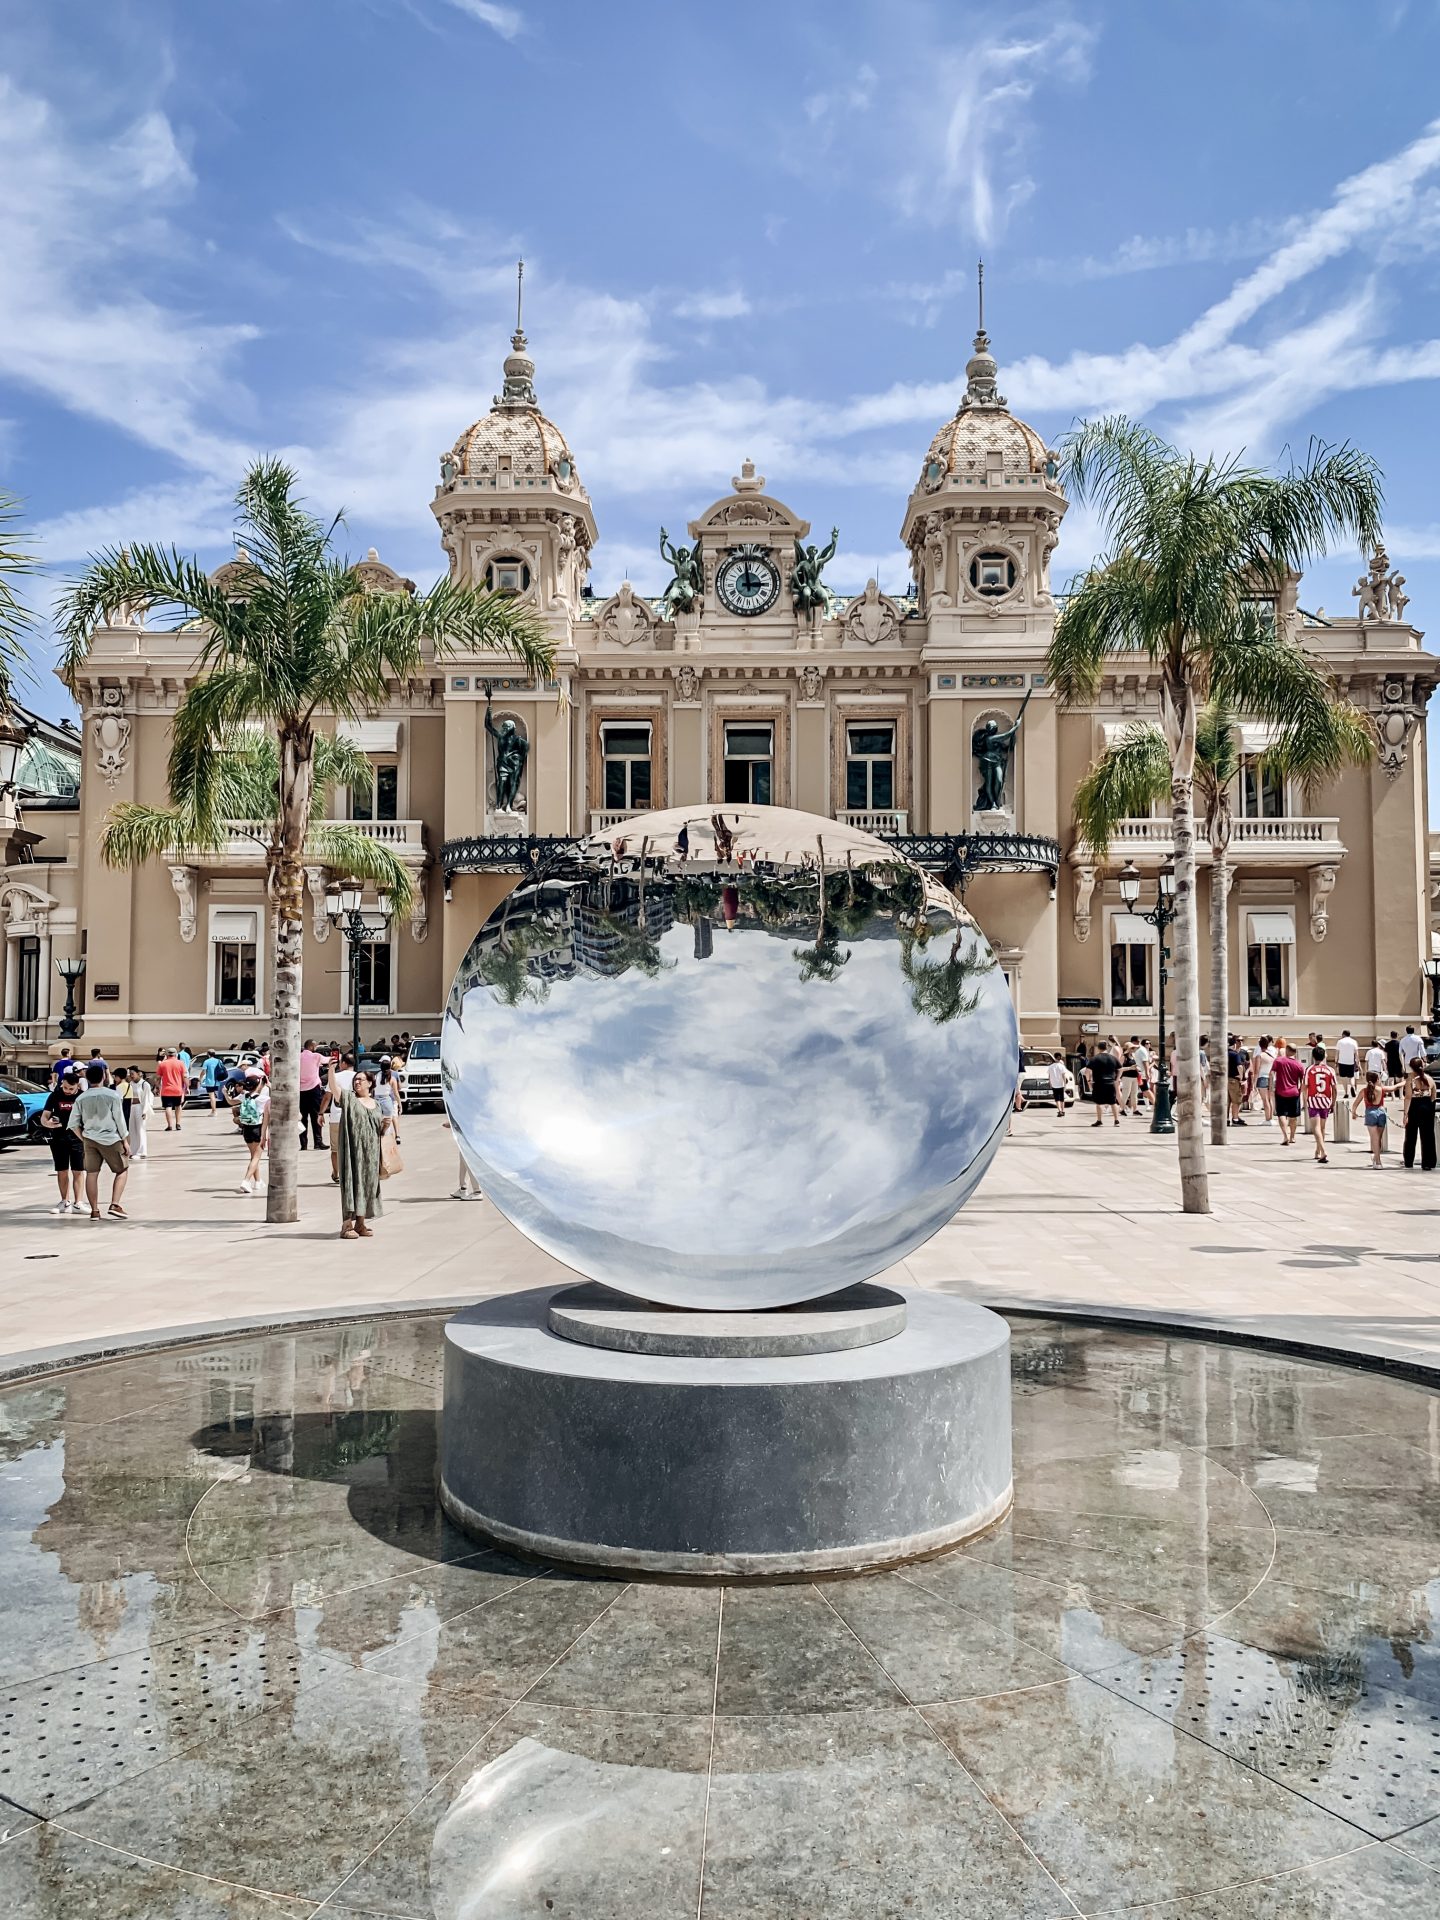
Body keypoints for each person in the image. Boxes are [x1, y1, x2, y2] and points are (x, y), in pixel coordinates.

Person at [333, 1065, 390, 1239]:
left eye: (361, 1080)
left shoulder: (377, 1105)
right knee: (351, 1184)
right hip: (352, 1151)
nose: (357, 1082)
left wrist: (385, 1126)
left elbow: (377, 1131)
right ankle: (346, 1225)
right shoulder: (349, 1098)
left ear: (370, 1084)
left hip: (370, 1154)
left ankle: (360, 1223)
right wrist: (330, 1071)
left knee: (367, 1186)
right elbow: (335, 1090)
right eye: (355, 1080)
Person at [68, 1062, 130, 1219]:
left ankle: (94, 1210)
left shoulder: (81, 1098)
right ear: (103, 1076)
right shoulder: (112, 1095)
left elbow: (73, 1124)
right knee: (122, 1170)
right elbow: (119, 1120)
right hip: (111, 1138)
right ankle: (115, 1204)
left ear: (87, 1079)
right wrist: (125, 1140)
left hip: (89, 1138)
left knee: (92, 1174)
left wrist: (84, 1138)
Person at [39, 1066, 85, 1213]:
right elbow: (44, 1116)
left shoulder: (83, 1097)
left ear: (77, 1086)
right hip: (58, 1138)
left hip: (78, 1138)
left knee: (78, 1170)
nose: (67, 1091)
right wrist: (47, 1123)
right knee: (62, 1170)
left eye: (71, 1089)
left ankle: (78, 1202)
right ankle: (65, 1201)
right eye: (65, 1087)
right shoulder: (55, 1095)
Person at [234, 1067, 270, 1195]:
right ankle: (246, 1180)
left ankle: (258, 1181)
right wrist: (270, 1086)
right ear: (259, 1084)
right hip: (257, 1128)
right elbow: (275, 1103)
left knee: (253, 1156)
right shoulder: (263, 1099)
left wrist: (226, 1094)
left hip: (247, 1129)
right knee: (256, 1157)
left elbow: (231, 1102)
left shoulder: (244, 1097)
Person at [323, 1052, 357, 1183]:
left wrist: (321, 1113)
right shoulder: (359, 1077)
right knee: (352, 1147)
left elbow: (327, 1096)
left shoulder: (335, 1077)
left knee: (335, 1149)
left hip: (336, 1117)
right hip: (353, 1116)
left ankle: (336, 1173)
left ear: (343, 1063)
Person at [1304, 1045, 1337, 1165]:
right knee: (1322, 1127)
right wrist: (1333, 1102)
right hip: (1326, 1100)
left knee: (1316, 1127)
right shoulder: (1330, 1070)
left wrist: (1305, 1100)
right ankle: (1318, 1150)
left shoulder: (1309, 1069)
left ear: (1313, 1056)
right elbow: (1334, 1087)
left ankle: (1322, 1151)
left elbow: (1305, 1087)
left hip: (1313, 1099)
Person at [1403, 1062, 1438, 1171]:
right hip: (1427, 1106)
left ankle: (1409, 1161)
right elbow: (1434, 1096)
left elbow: (1408, 1097)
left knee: (1411, 1135)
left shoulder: (1411, 1080)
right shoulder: (1429, 1079)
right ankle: (1428, 1162)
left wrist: (1405, 1114)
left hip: (1414, 1107)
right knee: (1428, 1135)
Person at [1352, 1069, 1389, 1167]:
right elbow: (1394, 1087)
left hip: (1370, 1113)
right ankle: (1376, 1158)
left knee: (1374, 1138)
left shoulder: (1364, 1091)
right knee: (1379, 1138)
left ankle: (1377, 1161)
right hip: (1381, 1112)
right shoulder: (1381, 1089)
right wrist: (1404, 1082)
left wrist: (1354, 1113)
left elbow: (1355, 1104)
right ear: (1377, 1079)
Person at [1271, 1041, 1304, 1146]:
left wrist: (1271, 1087)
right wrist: (1300, 1091)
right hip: (1294, 1092)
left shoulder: (1279, 1061)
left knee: (1281, 1114)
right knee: (1293, 1116)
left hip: (1280, 1091)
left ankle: (1285, 1136)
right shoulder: (1299, 1064)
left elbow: (1271, 1074)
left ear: (1287, 1050)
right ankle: (1292, 1137)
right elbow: (1303, 1081)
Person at [298, 1038, 325, 1151]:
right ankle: (318, 1142)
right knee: (315, 1117)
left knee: (302, 1118)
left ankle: (303, 1144)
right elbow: (328, 1060)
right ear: (311, 1047)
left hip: (300, 1090)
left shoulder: (298, 1057)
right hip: (313, 1089)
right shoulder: (316, 1056)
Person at [1089, 1040, 1120, 1128]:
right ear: (1106, 1047)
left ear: (1098, 1048)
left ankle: (1099, 1120)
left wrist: (1088, 1080)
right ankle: (1116, 1121)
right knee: (1113, 1102)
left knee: (1099, 1103)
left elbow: (1088, 1070)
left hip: (1099, 1083)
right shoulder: (1113, 1058)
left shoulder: (1095, 1058)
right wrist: (1117, 1079)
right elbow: (1119, 1069)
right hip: (1110, 1082)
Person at [374, 1055, 404, 1144]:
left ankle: (379, 1136)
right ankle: (387, 1135)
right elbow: (396, 1093)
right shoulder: (392, 1077)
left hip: (376, 1100)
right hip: (386, 1100)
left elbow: (372, 1089)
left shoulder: (376, 1076)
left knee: (379, 1121)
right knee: (389, 1121)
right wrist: (400, 1105)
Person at [156, 1048, 187, 1130]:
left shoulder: (162, 1064)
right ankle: (178, 1124)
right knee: (178, 1106)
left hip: (166, 1090)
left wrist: (156, 1087)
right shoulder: (180, 1063)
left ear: (167, 1055)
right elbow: (184, 1076)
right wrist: (187, 1087)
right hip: (178, 1089)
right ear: (176, 1054)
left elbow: (158, 1078)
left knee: (168, 1107)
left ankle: (170, 1125)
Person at [127, 1064, 153, 1159]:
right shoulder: (131, 1084)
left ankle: (142, 1151)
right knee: (132, 1129)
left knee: (140, 1129)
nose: (131, 1076)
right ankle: (133, 1150)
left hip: (140, 1107)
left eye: (133, 1074)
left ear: (138, 1074)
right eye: (130, 1074)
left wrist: (145, 1111)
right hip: (131, 1108)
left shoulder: (144, 1084)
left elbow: (146, 1098)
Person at [1253, 1035, 1276, 1124]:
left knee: (1265, 1100)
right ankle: (1270, 1117)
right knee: (1270, 1099)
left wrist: (1254, 1083)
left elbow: (1257, 1070)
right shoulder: (1271, 1056)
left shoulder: (1260, 1056)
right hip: (1270, 1078)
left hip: (1262, 1078)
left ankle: (1267, 1119)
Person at [1226, 1036, 1246, 1126]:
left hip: (1224, 1080)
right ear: (1234, 1044)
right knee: (1236, 1101)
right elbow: (1239, 1066)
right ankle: (1235, 1119)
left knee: (1226, 1101)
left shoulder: (1223, 1054)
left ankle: (1225, 1119)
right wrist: (1241, 1078)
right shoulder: (1234, 1054)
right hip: (1233, 1080)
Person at [201, 1047, 225, 1113]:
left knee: (212, 1096)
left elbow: (203, 1072)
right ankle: (214, 1110)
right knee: (214, 1095)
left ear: (208, 1054)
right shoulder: (219, 1061)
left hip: (209, 1081)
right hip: (217, 1081)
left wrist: (200, 1078)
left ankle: (214, 1111)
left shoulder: (206, 1061)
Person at [1046, 1052, 1069, 1117]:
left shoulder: (1050, 1066)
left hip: (1054, 1084)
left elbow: (1049, 1076)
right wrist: (1065, 1084)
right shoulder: (1062, 1066)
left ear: (1054, 1057)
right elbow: (1064, 1076)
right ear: (1060, 1058)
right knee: (1062, 1098)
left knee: (1057, 1099)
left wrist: (1050, 1083)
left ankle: (1059, 1111)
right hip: (1061, 1084)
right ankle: (1063, 1110)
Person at [1118, 1047, 1140, 1114]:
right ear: (1128, 1049)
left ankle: (1135, 1109)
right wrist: (1129, 1068)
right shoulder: (1124, 1057)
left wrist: (1137, 1068)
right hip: (1127, 1077)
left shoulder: (1133, 1056)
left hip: (1135, 1077)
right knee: (1126, 1093)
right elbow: (1119, 1068)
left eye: (1134, 1048)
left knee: (1134, 1094)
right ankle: (1121, 1109)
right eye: (1132, 1048)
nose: (1134, 1050)